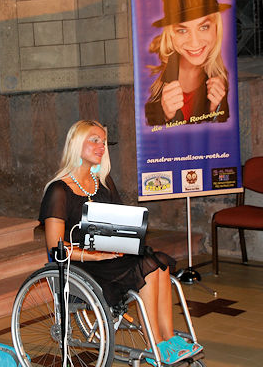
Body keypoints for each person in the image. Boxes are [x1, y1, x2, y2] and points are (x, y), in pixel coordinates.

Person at [39, 120, 202, 365]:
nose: (101, 146)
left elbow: (118, 224)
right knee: (146, 267)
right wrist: (95, 255)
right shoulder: (59, 191)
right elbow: (56, 247)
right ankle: (156, 344)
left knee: (158, 262)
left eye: (104, 142)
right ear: (76, 144)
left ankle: (168, 338)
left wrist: (126, 242)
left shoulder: (103, 183)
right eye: (94, 140)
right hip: (79, 264)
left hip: (106, 257)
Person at [145, 0, 231, 126]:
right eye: (182, 30)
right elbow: (147, 129)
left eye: (204, 27)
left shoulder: (223, 79)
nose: (195, 43)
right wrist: (165, 115)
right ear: (170, 34)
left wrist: (214, 110)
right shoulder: (152, 79)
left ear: (217, 28)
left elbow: (224, 131)